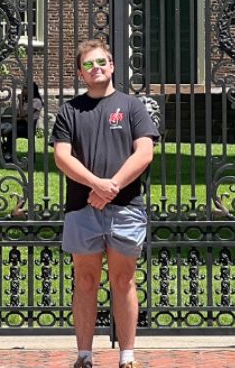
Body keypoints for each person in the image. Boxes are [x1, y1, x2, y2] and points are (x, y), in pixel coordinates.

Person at [51, 39, 159, 368]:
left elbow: (145, 152)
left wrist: (112, 187)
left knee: (123, 280)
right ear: (81, 73)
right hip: (83, 209)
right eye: (88, 65)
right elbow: (61, 157)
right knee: (85, 280)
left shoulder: (132, 107)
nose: (96, 68)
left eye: (101, 62)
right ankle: (84, 355)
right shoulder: (70, 111)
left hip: (126, 207)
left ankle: (127, 356)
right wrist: (96, 184)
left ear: (112, 66)